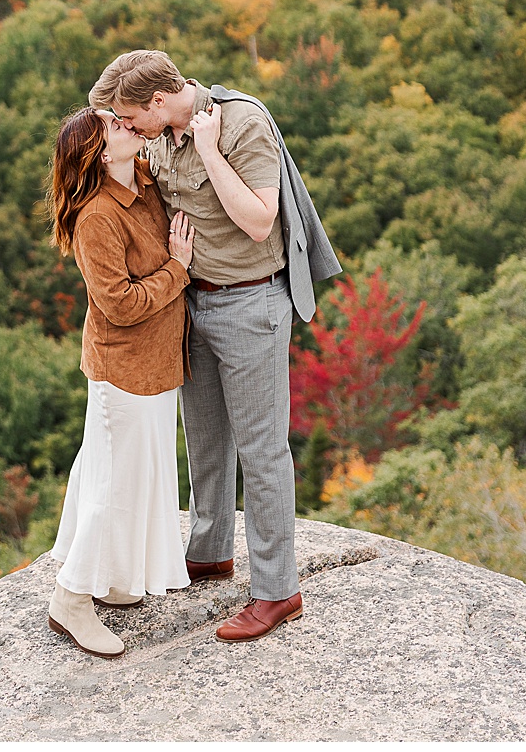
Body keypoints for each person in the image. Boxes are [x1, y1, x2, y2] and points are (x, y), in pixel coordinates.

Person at [90, 48, 340, 643]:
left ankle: (278, 591)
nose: (128, 132)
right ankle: (210, 551)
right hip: (190, 302)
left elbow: (258, 221)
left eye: (130, 120)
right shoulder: (159, 136)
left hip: (251, 304)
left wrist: (208, 150)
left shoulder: (242, 121)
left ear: (157, 101)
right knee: (204, 440)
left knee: (262, 451)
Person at [44, 106, 195, 658]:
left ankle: (114, 577)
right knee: (111, 483)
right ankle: (72, 599)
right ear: (101, 153)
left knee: (134, 475)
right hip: (123, 369)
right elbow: (121, 304)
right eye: (115, 125)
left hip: (157, 365)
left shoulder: (147, 180)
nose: (128, 126)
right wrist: (179, 269)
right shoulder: (97, 217)